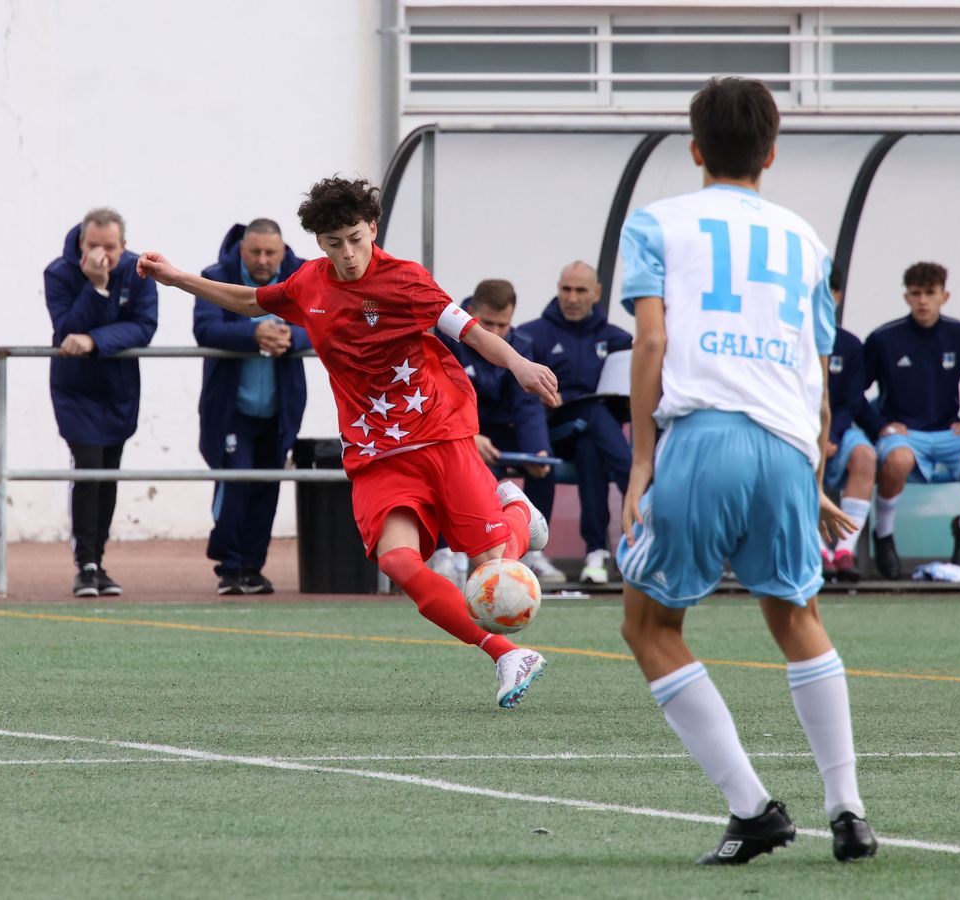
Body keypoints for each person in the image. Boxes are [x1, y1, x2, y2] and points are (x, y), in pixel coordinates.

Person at [138, 176, 561, 709]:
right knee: (398, 562)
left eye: (357, 238)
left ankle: (517, 513)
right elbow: (250, 300)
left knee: (493, 570)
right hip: (377, 453)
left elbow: (472, 332)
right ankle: (504, 653)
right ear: (319, 242)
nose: (349, 253)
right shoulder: (309, 284)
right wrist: (177, 278)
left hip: (439, 435)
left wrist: (520, 363)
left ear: (373, 229)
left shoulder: (407, 280)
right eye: (335, 242)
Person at [615, 77, 877, 864]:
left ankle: (753, 809)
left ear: (694, 150)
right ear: (771, 152)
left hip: (705, 434)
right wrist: (813, 473)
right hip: (789, 443)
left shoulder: (657, 221)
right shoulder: (805, 239)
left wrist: (639, 461)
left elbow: (653, 344)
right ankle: (849, 810)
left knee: (650, 625)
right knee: (795, 616)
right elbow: (817, 366)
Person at [45, 208, 159, 597]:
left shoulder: (140, 271)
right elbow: (66, 329)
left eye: (110, 247)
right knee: (88, 470)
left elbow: (144, 327)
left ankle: (99, 558)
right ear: (81, 243)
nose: (101, 254)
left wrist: (96, 341)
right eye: (93, 245)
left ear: (123, 246)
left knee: (108, 474)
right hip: (75, 391)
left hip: (119, 389)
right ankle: (86, 564)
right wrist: (94, 288)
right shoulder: (59, 272)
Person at [862, 261, 960, 578]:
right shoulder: (884, 338)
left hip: (949, 433)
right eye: (915, 293)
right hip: (905, 434)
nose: (922, 301)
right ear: (906, 297)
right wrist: (880, 427)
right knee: (896, 460)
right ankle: (883, 536)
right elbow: (854, 391)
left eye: (929, 293)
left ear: (944, 296)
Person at [194, 219, 309, 595]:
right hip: (232, 411)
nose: (262, 260)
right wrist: (253, 333)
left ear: (282, 250)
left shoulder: (305, 276)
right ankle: (229, 566)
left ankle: (252, 568)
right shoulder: (216, 276)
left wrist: (293, 336)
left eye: (270, 253)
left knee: (266, 489)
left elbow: (330, 322)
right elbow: (205, 329)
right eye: (254, 252)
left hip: (280, 410)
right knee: (236, 483)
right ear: (241, 249)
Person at [517, 261, 634, 584]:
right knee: (592, 414)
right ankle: (638, 493)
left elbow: (627, 403)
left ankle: (597, 553)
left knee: (589, 449)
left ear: (596, 293)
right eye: (565, 289)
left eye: (580, 290)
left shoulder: (619, 340)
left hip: (593, 436)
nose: (571, 297)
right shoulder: (531, 334)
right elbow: (519, 399)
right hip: (550, 430)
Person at [435, 279, 558, 583]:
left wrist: (536, 449)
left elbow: (527, 405)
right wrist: (467, 437)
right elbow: (436, 394)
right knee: (457, 467)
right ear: (470, 311)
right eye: (487, 323)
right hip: (451, 429)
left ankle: (532, 553)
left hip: (499, 431)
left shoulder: (520, 343)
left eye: (504, 325)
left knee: (544, 464)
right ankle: (448, 554)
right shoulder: (446, 337)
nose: (496, 332)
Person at [820, 269, 881, 582]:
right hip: (800, 430)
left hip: (838, 428)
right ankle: (817, 550)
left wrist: (833, 434)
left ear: (837, 296)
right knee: (794, 459)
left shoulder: (850, 344)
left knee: (865, 455)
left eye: (827, 292)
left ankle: (844, 551)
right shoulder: (788, 337)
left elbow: (850, 401)